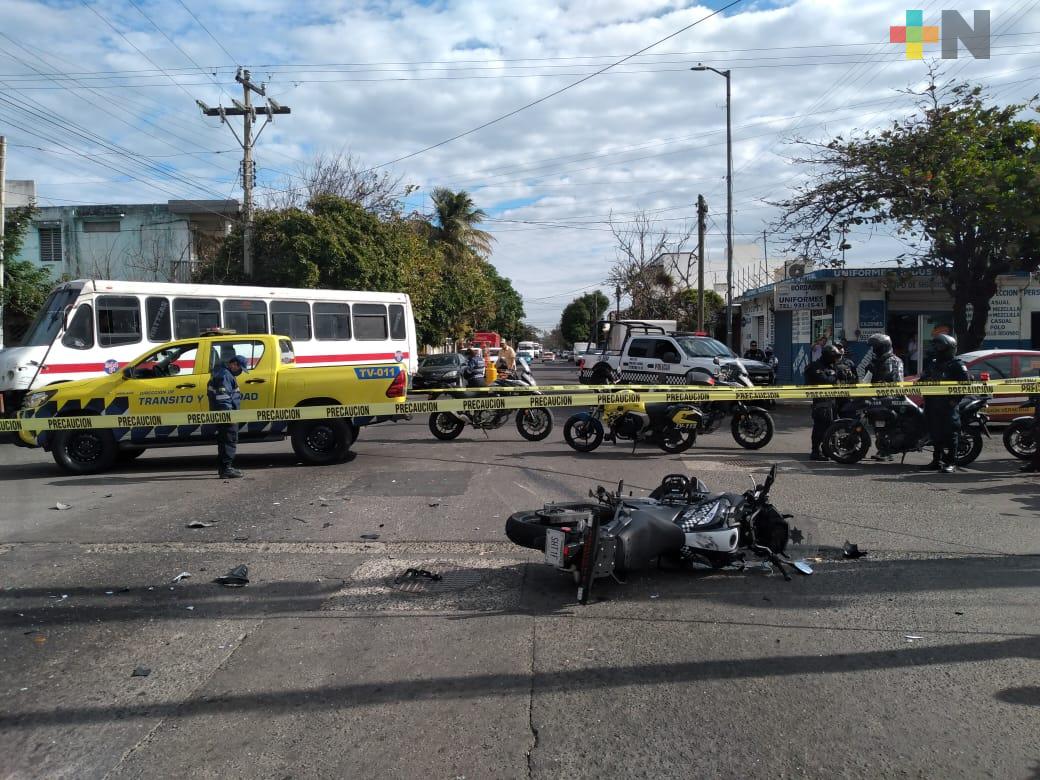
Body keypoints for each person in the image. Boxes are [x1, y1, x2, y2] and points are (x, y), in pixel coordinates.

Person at [918, 333, 969, 473]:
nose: (936, 348)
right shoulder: (933, 363)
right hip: (932, 403)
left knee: (950, 434)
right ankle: (936, 461)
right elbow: (922, 379)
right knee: (935, 434)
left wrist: (954, 401)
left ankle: (951, 462)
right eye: (935, 345)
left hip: (947, 405)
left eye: (939, 345)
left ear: (948, 348)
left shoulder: (957, 365)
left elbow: (965, 384)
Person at [208, 354, 247, 478]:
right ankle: (226, 469)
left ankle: (224, 468)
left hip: (224, 413)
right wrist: (229, 415)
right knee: (229, 440)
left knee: (224, 441)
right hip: (226, 414)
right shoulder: (225, 375)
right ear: (233, 364)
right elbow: (223, 398)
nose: (240, 371)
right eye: (240, 368)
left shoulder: (223, 373)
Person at [804, 343, 843, 461]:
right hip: (821, 402)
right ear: (828, 356)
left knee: (831, 426)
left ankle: (827, 449)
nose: (836, 359)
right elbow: (825, 381)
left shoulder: (830, 367)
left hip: (832, 401)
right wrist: (836, 375)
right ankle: (815, 451)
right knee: (820, 427)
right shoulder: (815, 367)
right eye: (834, 357)